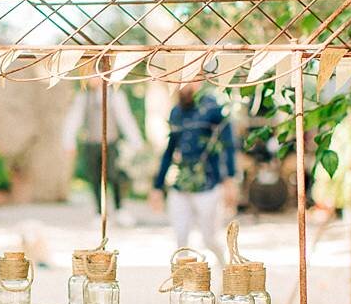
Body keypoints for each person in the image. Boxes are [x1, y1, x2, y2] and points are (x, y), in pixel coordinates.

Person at [150, 81, 237, 266]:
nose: (184, 86)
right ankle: (185, 286)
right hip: (181, 184)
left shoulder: (215, 109)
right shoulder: (176, 112)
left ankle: (225, 270)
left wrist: (229, 180)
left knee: (209, 239)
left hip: (209, 183)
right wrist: (157, 187)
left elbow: (228, 147)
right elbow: (169, 151)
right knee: (180, 240)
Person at [64, 78, 147, 219]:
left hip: (111, 143)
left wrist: (136, 142)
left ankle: (120, 209)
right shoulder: (83, 97)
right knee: (95, 178)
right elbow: (73, 120)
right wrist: (68, 142)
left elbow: (125, 119)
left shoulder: (115, 96)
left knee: (114, 176)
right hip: (91, 143)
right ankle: (99, 212)